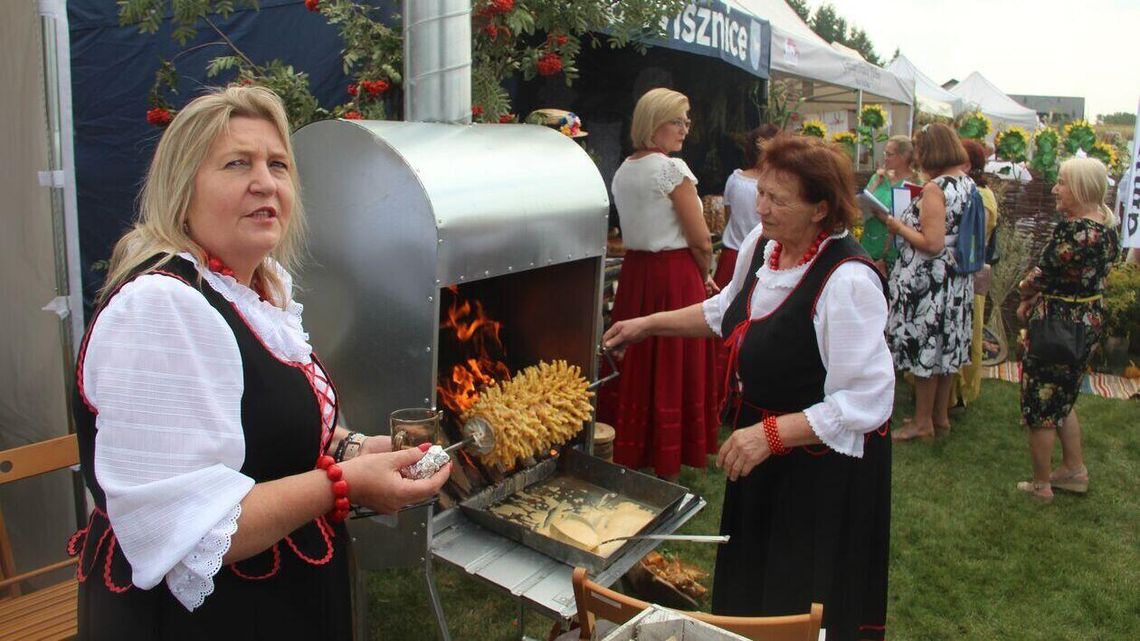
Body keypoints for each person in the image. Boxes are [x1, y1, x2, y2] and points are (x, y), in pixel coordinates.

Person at [69, 86, 450, 639]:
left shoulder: (257, 290)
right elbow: (184, 528)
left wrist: (354, 447)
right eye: (236, 164)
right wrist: (345, 484)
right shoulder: (161, 307)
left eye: (277, 165)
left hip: (278, 593)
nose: (265, 182)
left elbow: (271, 429)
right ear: (182, 189)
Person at [603, 134, 893, 640]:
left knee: (799, 589)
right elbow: (726, 310)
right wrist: (648, 323)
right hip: (761, 445)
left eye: (779, 200)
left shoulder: (847, 281)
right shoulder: (765, 246)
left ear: (821, 208)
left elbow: (866, 401)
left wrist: (771, 435)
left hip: (817, 467)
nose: (761, 207)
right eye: (762, 192)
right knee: (751, 578)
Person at [596, 87, 720, 482]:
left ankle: (633, 443)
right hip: (673, 275)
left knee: (641, 358)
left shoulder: (624, 169)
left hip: (637, 273)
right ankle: (666, 451)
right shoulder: (672, 170)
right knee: (670, 359)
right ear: (654, 123)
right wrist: (706, 272)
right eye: (677, 121)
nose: (684, 129)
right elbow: (700, 238)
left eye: (687, 121)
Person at [1015, 157, 1119, 502]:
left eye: (1062, 183)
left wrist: (1024, 290)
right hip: (1086, 320)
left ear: (1080, 189)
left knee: (1041, 404)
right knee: (1063, 396)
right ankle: (1074, 470)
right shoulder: (1106, 226)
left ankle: (1041, 485)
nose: (1055, 189)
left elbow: (1042, 274)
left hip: (1057, 326)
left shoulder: (1074, 231)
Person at [884, 123, 975, 441]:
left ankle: (922, 422)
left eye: (920, 149)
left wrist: (897, 226)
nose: (918, 155)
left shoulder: (936, 189)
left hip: (932, 283)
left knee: (927, 347)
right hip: (955, 280)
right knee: (945, 349)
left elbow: (933, 242)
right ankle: (939, 417)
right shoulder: (966, 182)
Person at [711, 124, 779, 395]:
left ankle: (728, 387)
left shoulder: (734, 179)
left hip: (734, 252)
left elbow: (728, 218)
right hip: (748, 255)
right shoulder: (757, 184)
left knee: (735, 322)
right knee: (734, 318)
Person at [952, 138, 999, 407]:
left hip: (969, 272)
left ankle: (963, 392)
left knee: (969, 331)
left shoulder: (981, 195)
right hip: (961, 270)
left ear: (968, 165)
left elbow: (975, 238)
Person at [862, 134, 919, 275]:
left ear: (904, 157)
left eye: (890, 154)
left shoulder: (915, 183)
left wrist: (883, 216)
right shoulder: (879, 177)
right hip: (869, 244)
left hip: (893, 250)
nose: (885, 158)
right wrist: (876, 182)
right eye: (885, 153)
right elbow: (865, 198)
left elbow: (911, 220)